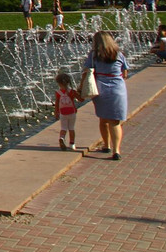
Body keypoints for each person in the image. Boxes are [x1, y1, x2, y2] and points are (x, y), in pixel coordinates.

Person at [83, 31, 129, 161]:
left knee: (103, 120)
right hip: (117, 89)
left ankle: (107, 145)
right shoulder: (119, 54)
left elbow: (87, 72)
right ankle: (116, 151)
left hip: (100, 89)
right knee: (115, 122)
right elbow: (125, 73)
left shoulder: (93, 56)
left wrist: (80, 88)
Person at [53, 71, 82, 151]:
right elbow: (81, 99)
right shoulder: (72, 92)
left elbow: (57, 104)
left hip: (63, 113)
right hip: (72, 112)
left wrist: (56, 113)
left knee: (63, 128)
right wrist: (80, 92)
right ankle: (72, 144)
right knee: (71, 128)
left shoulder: (58, 93)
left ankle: (62, 138)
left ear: (58, 83)